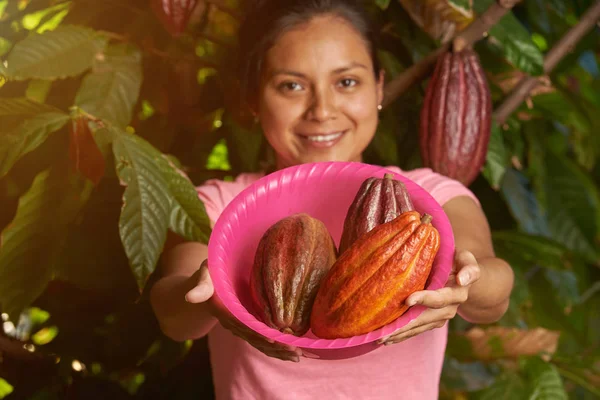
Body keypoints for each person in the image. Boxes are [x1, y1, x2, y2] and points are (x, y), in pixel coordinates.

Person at [150, 0, 515, 398]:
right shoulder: (218, 204)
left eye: (346, 82)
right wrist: (204, 291)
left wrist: (464, 282)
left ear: (378, 85)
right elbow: (172, 316)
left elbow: (495, 289)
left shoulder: (430, 197)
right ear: (252, 99)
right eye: (291, 85)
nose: (322, 110)